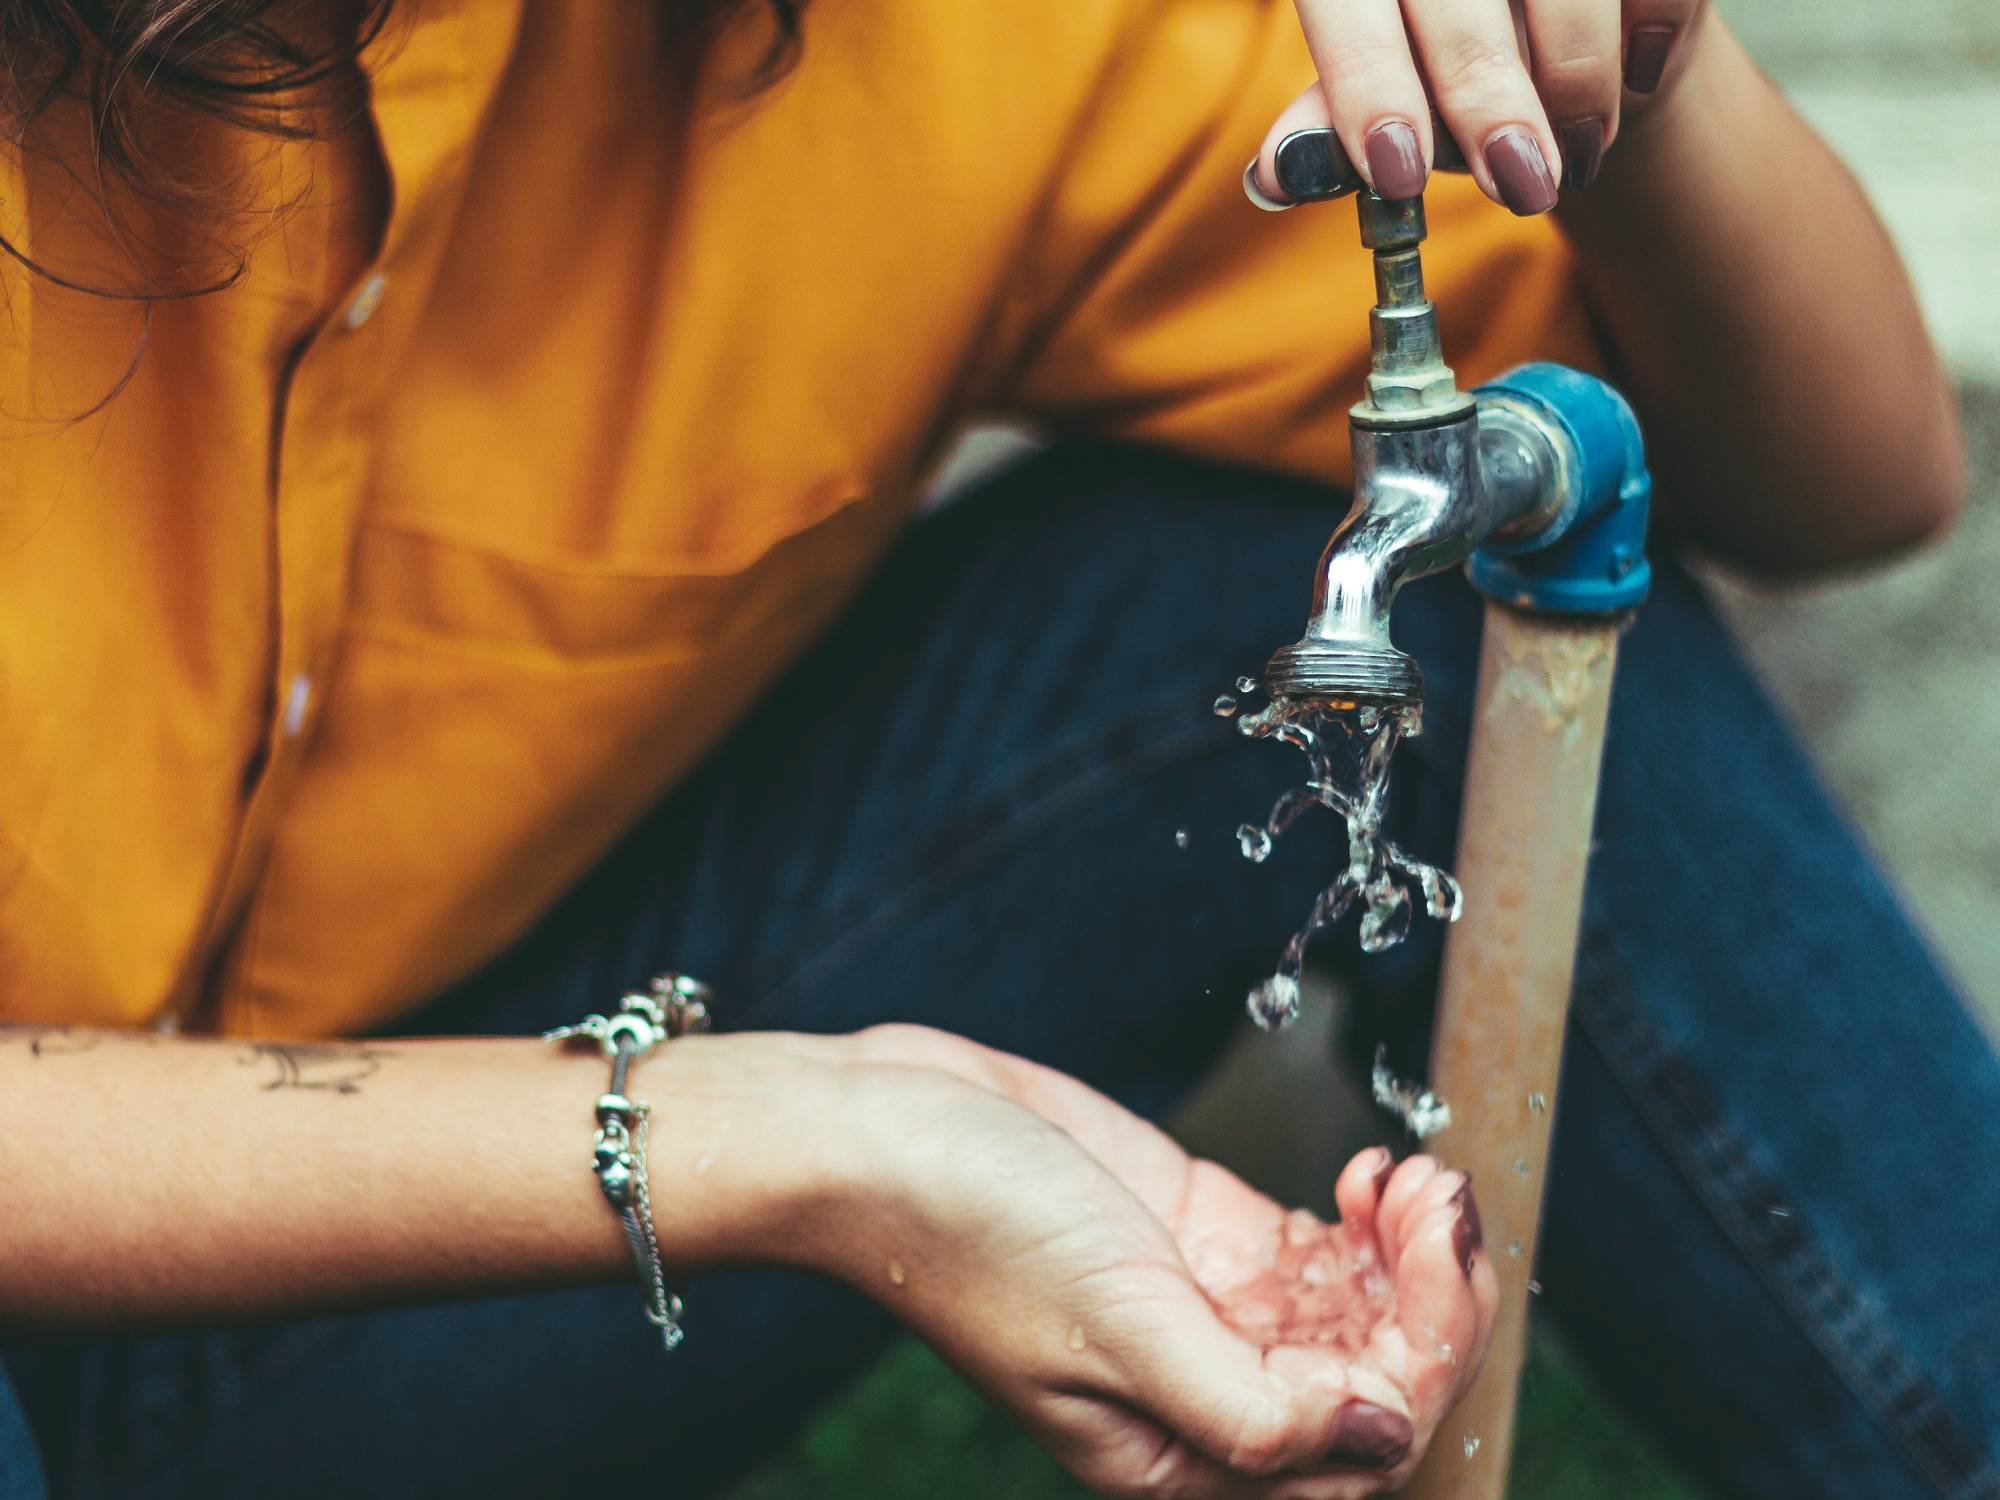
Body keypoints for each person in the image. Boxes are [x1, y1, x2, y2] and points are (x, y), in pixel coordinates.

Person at [0, 1, 1985, 1497]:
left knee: (1357, 565)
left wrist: (1643, 62)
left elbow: (1853, 477)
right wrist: (769, 1143)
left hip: (365, 1283)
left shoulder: (933, 42)